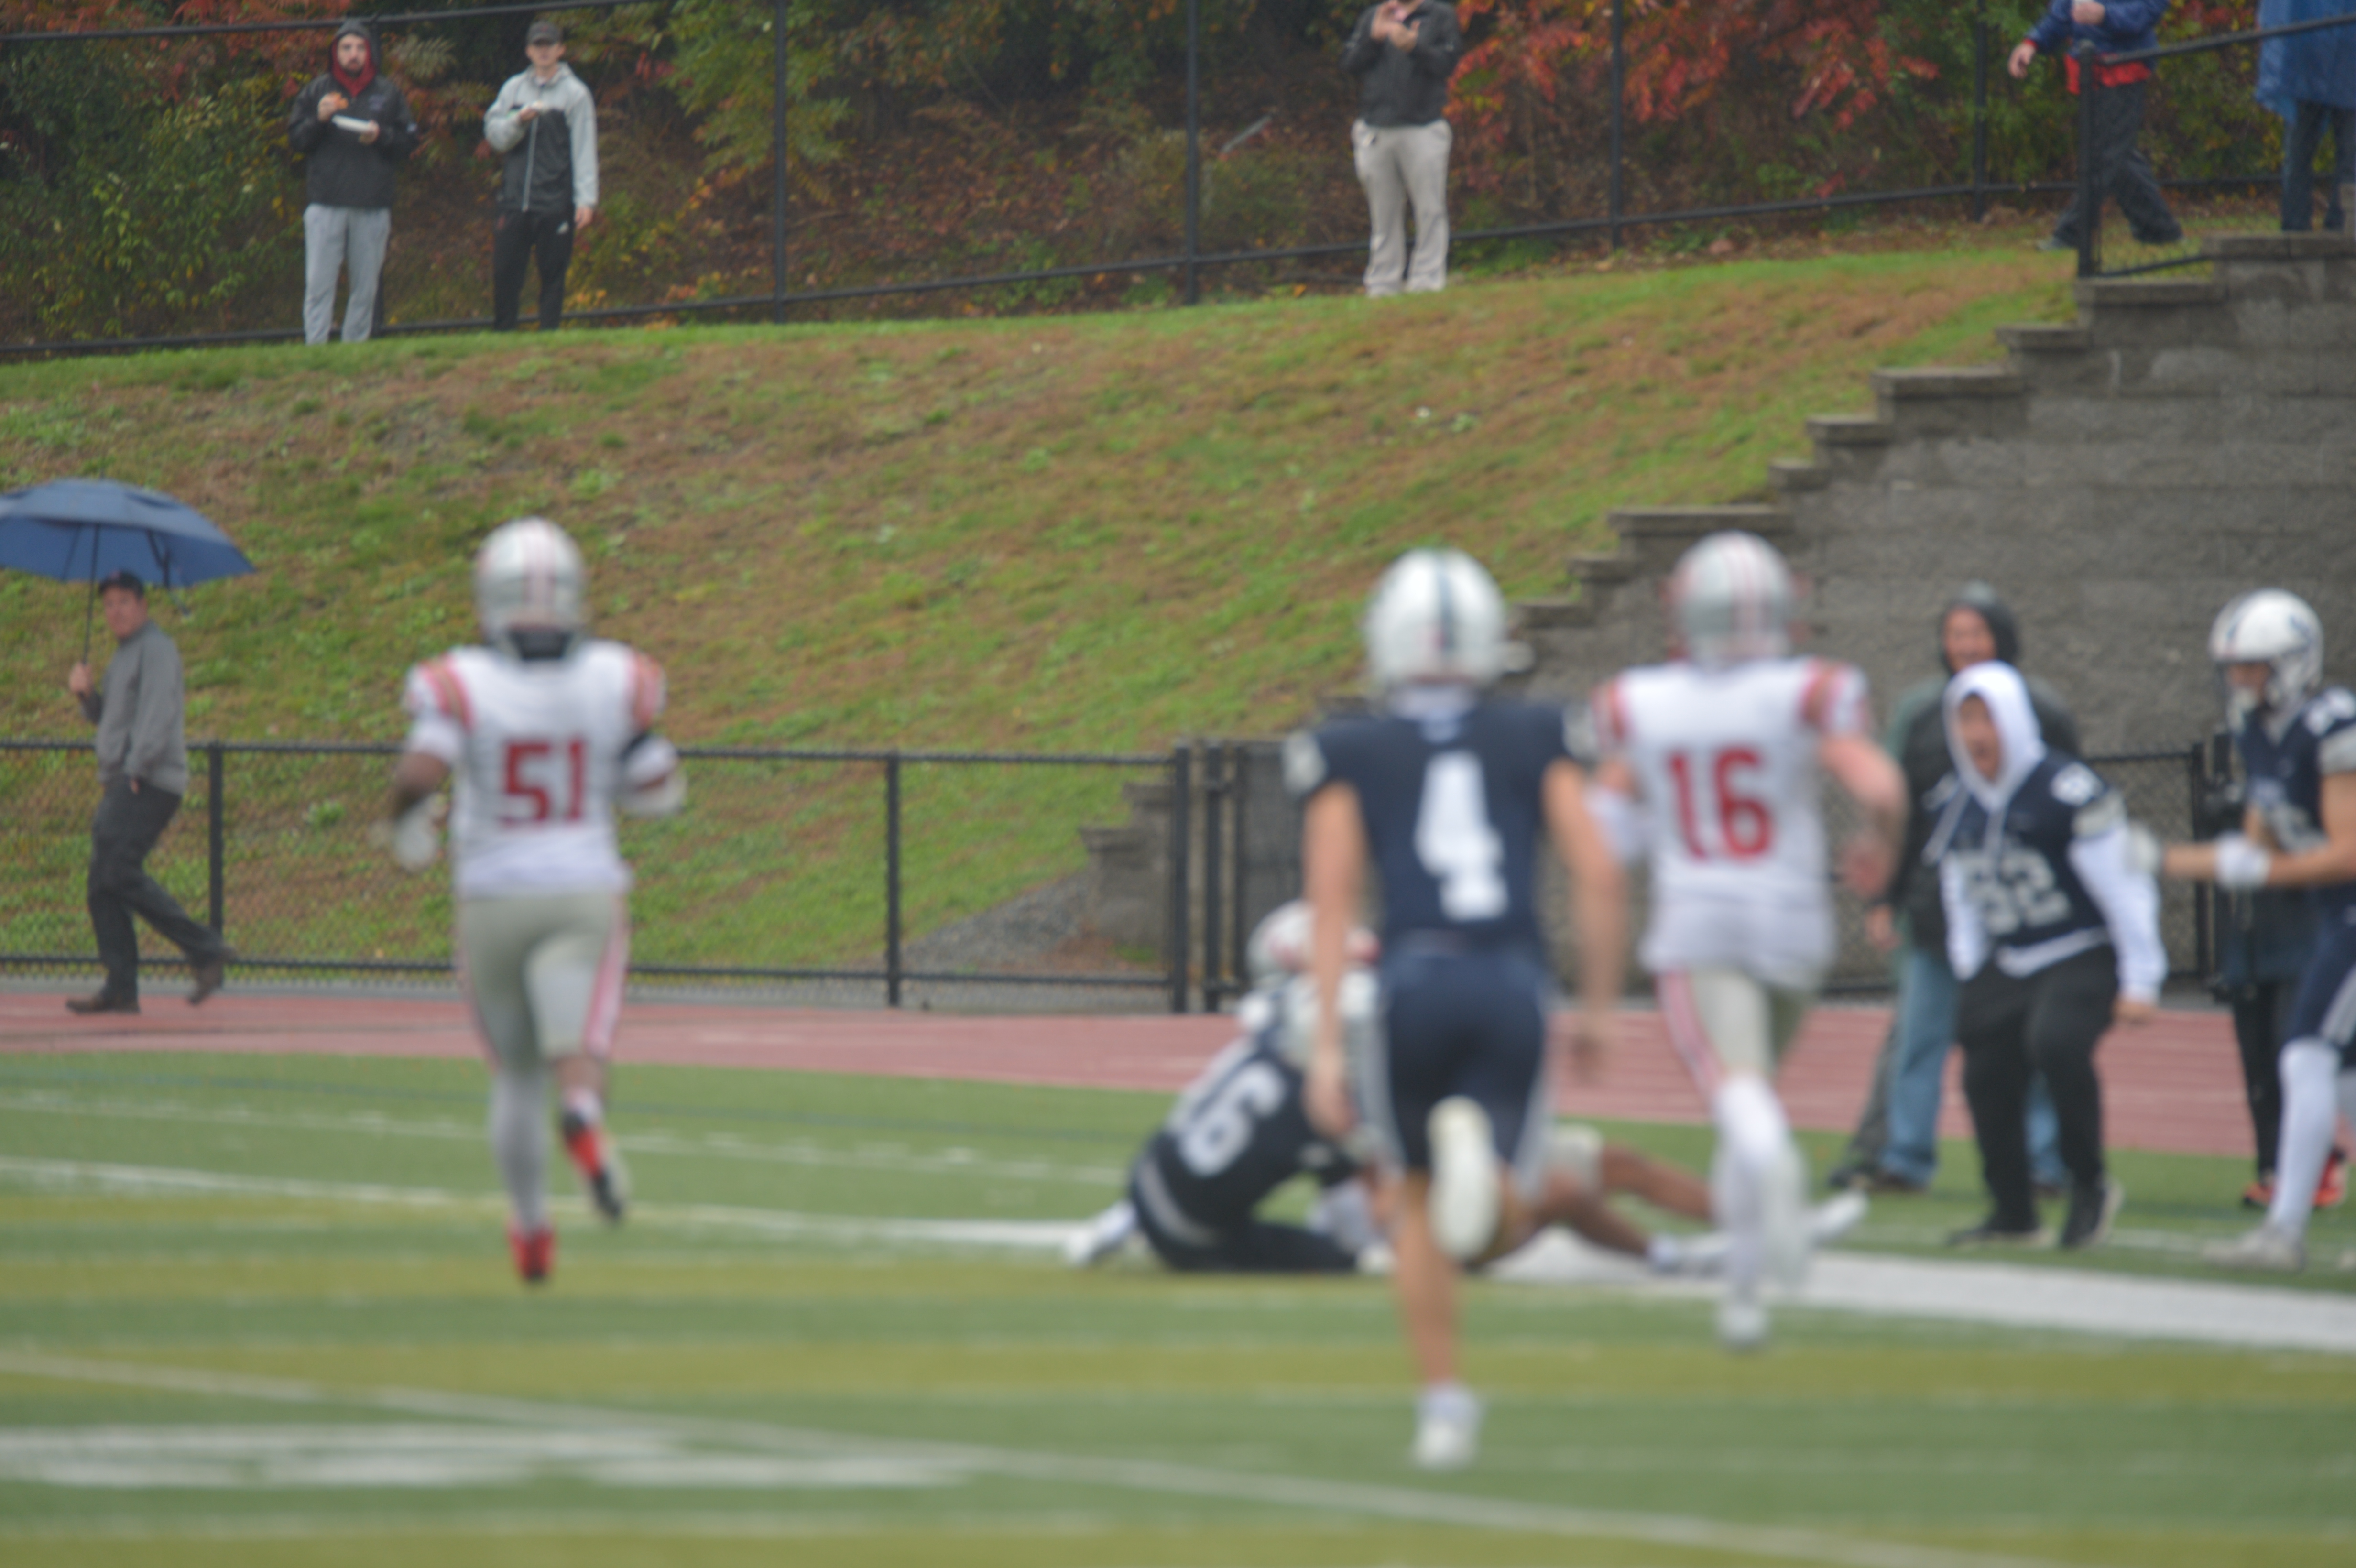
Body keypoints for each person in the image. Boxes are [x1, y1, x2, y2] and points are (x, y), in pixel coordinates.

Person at [1290, 547, 1626, 1470]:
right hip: (1509, 978)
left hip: (1412, 982)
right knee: (1510, 1204)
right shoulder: (1536, 733)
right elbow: (1597, 872)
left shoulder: (1349, 749)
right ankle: (1487, 1179)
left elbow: (1331, 903)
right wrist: (1598, 1005)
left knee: (1411, 1201)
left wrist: (1325, 1050)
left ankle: (1443, 1403)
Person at [1067, 903, 1862, 1278]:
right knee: (1569, 1183)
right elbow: (1369, 1196)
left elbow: (1199, 1134)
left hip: (1429, 1179)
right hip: (1415, 1217)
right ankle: (1703, 1251)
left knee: (1607, 1163)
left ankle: (1726, 1240)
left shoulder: (1292, 1050)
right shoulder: (1327, 1072)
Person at [1587, 532, 1906, 1353]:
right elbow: (1879, 785)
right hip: (1795, 921)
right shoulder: (1810, 690)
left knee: (1739, 1098)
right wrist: (1879, 845)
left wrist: (1636, 825)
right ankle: (1743, 1302)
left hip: (1699, 922)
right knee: (1749, 1092)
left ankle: (1775, 1164)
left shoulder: (1641, 701)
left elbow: (1603, 832)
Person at [381, 517, 684, 1285]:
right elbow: (656, 784)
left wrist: (402, 821)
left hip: (490, 897)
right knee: (577, 1043)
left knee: (514, 1075)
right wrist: (629, 783)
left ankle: (530, 1231)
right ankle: (582, 1113)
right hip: (580, 890)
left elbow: (420, 772)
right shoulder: (612, 677)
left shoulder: (465, 682)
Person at [1831, 586, 2078, 1198]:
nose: (1966, 645)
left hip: (2020, 913)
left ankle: (2043, 1162)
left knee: (2032, 1040)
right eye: (1955, 634)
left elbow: (2070, 803)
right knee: (1920, 1039)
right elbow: (1902, 818)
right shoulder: (1921, 715)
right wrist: (1883, 899)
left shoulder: (2044, 711)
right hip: (1936, 912)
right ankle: (1904, 1156)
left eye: (1977, 633)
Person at [1934, 662, 2163, 1251]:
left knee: (2055, 1041)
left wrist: (2141, 976)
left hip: (2081, 948)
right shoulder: (1956, 799)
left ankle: (2088, 1182)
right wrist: (1969, 966)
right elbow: (1959, 890)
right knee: (1983, 1068)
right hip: (2011, 955)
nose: (1976, 734)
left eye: (1987, 717)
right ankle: (2013, 1212)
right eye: (1965, 719)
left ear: (2013, 719)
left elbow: (2124, 885)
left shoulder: (2066, 790)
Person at [2162, 592, 2356, 1271]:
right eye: (2234, 668)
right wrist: (2158, 859)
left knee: (2305, 1053)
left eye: (2253, 666)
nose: (2240, 680)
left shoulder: (2332, 725)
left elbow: (2346, 851)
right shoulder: (2258, 732)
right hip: (2336, 915)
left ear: (2293, 663)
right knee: (2344, 1074)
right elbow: (2253, 849)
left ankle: (2284, 1231)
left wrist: (2266, 871)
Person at [61, 572, 235, 1015]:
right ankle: (122, 988)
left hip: (148, 780)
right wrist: (87, 696)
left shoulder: (157, 649)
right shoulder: (123, 655)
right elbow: (113, 720)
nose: (115, 611)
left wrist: (137, 770)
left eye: (124, 602)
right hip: (127, 778)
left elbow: (159, 714)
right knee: (102, 883)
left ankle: (206, 949)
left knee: (116, 871)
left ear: (143, 605)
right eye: (109, 605)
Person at [2009, 0, 2185, 252]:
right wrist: (2032, 43)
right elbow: (2062, 14)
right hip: (2090, 69)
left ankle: (2072, 232)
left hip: (2125, 67)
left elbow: (2149, 11)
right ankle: (2160, 229)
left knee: (2106, 155)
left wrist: (2105, 16)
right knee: (2118, 156)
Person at [286, 21, 418, 346]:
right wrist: (319, 120)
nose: (354, 54)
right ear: (336, 52)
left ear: (370, 52)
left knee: (365, 288)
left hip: (372, 205)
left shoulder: (388, 93)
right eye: (347, 48)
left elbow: (409, 142)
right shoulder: (317, 92)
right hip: (325, 202)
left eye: (360, 48)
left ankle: (355, 352)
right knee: (318, 285)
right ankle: (315, 350)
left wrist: (382, 136)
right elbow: (297, 141)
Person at [1340, 0, 1462, 298]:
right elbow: (1350, 64)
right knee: (1383, 214)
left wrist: (1414, 47)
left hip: (1423, 127)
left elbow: (1446, 64)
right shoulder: (1374, 16)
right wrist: (1373, 38)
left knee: (1430, 209)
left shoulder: (1440, 16)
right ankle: (1383, 284)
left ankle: (1427, 282)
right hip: (1375, 128)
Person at [485, 20, 600, 333]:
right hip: (514, 200)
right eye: (538, 45)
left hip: (555, 202)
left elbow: (584, 149)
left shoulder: (576, 94)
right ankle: (503, 338)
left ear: (561, 50)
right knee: (506, 273)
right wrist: (518, 121)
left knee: (553, 276)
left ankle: (548, 338)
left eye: (550, 45)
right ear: (528, 51)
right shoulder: (513, 89)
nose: (544, 51)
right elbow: (495, 137)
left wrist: (586, 200)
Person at [2257, 0, 2356, 234]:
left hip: (2338, 60)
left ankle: (2340, 227)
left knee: (2347, 154)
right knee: (2301, 151)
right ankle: (2298, 227)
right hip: (2308, 61)